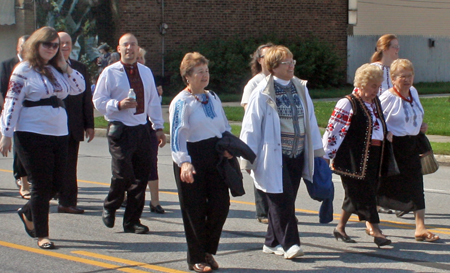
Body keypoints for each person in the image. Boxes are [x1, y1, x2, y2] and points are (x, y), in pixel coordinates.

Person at [0, 26, 86, 249]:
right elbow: (12, 102)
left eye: (55, 45)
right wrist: (6, 134)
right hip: (31, 132)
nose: (51, 48)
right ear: (35, 45)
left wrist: (64, 66)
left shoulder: (56, 69)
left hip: (58, 132)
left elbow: (79, 87)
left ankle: (29, 212)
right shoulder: (23, 70)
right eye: (46, 44)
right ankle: (42, 234)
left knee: (57, 183)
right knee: (40, 185)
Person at [240, 45, 324, 259]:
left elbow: (311, 120)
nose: (291, 66)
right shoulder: (263, 92)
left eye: (292, 61)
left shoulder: (300, 88)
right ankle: (291, 244)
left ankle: (271, 242)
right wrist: (247, 160)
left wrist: (317, 151)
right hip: (274, 156)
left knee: (285, 200)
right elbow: (250, 127)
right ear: (273, 66)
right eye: (286, 62)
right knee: (282, 201)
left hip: (297, 154)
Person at [93, 33, 166, 234]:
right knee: (123, 174)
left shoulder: (145, 72)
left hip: (142, 129)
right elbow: (98, 101)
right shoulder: (110, 73)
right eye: (125, 45)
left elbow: (152, 102)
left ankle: (132, 221)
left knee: (141, 177)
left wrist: (158, 128)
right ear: (119, 49)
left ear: (137, 49)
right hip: (121, 129)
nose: (129, 49)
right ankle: (110, 205)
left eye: (133, 45)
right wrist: (117, 104)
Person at [170, 52, 233, 272]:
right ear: (188, 76)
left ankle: (207, 250)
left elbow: (224, 126)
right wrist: (184, 162)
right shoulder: (181, 102)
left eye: (206, 71)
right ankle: (196, 258)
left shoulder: (212, 97)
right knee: (194, 210)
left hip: (214, 156)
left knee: (220, 205)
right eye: (199, 72)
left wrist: (229, 147)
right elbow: (178, 134)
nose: (205, 75)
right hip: (192, 156)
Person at [322, 64, 392, 248]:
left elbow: (378, 127)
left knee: (355, 195)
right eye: (372, 86)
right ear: (361, 84)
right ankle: (377, 232)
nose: (376, 90)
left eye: (378, 86)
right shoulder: (348, 103)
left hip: (374, 156)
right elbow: (333, 131)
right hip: (353, 158)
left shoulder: (374, 102)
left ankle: (340, 227)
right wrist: (326, 155)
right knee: (366, 193)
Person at [378, 59, 440, 243]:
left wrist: (419, 125)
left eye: (410, 75)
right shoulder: (387, 97)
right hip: (394, 147)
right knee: (384, 185)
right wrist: (385, 132)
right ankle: (371, 223)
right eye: (402, 76)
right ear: (393, 78)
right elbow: (376, 120)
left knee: (416, 185)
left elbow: (415, 113)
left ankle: (420, 228)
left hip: (412, 144)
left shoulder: (413, 92)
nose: (407, 79)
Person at [56, 32, 95, 214]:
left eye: (68, 43)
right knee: (52, 167)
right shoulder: (46, 68)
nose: (65, 46)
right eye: (61, 43)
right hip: (51, 127)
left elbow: (86, 98)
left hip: (73, 127)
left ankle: (68, 202)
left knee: (70, 167)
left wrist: (89, 125)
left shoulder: (79, 68)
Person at [240, 43, 273, 224]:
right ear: (260, 60)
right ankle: (263, 212)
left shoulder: (283, 79)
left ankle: (280, 211)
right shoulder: (254, 83)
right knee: (260, 172)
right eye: (266, 56)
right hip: (261, 136)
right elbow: (248, 111)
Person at [0, 35, 31, 199]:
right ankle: (22, 180)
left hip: (28, 114)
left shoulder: (37, 66)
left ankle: (24, 180)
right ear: (17, 47)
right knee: (12, 148)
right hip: (10, 112)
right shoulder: (7, 65)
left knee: (21, 151)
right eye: (23, 46)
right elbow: (2, 91)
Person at [135, 46, 164, 213]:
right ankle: (126, 197)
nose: (139, 61)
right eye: (137, 58)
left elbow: (154, 104)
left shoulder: (147, 75)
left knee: (152, 162)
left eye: (141, 58)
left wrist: (158, 127)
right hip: (130, 125)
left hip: (148, 125)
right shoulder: (121, 76)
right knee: (129, 165)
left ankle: (155, 201)